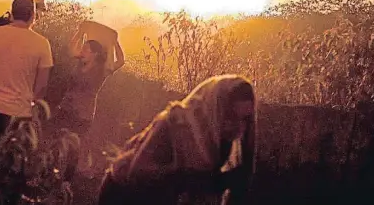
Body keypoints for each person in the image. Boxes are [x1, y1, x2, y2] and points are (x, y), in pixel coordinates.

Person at [97, 74, 257, 205]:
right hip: (125, 196)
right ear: (216, 111)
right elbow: (138, 172)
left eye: (244, 119)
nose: (238, 127)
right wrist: (202, 181)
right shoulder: (174, 124)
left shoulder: (221, 141)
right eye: (230, 117)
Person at [0, 0, 53, 175]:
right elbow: (41, 87)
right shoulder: (42, 43)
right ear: (33, 15)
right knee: (12, 160)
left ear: (12, 13)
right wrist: (32, 105)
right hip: (19, 111)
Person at [48, 27, 125, 178]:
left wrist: (115, 42)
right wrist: (80, 31)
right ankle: (50, 172)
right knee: (56, 140)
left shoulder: (102, 70)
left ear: (94, 54)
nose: (82, 50)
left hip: (83, 113)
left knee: (74, 147)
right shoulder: (80, 63)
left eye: (86, 49)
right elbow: (71, 47)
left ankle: (67, 179)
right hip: (66, 107)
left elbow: (121, 61)